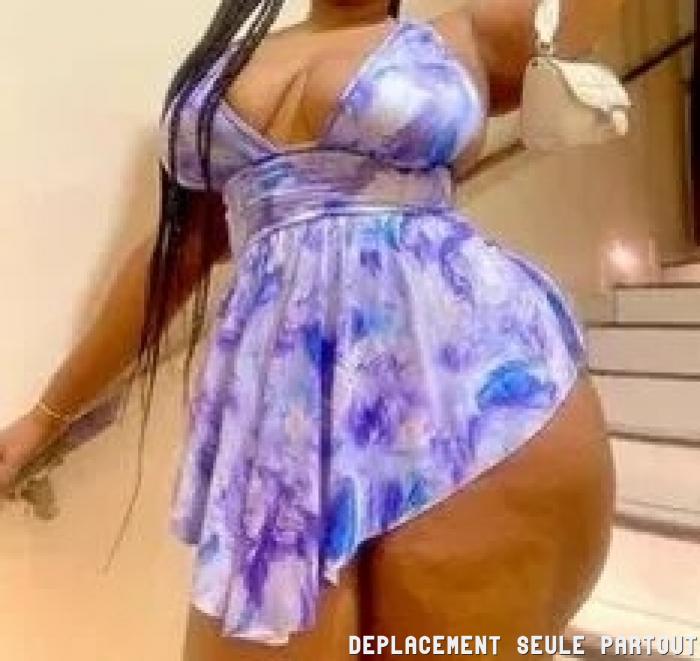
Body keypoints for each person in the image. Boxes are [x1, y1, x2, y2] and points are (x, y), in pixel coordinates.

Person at [0, 0, 620, 658]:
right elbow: (178, 254)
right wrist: (46, 416)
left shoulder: (472, 32)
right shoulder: (221, 68)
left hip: (475, 401)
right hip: (283, 423)